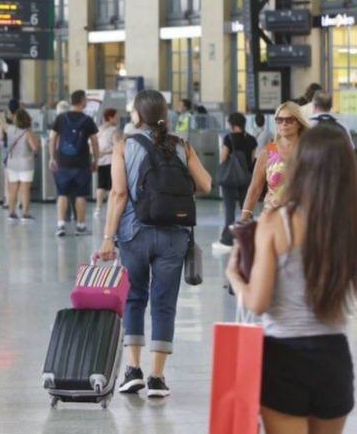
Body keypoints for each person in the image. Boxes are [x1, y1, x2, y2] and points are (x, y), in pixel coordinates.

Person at [226, 126, 357, 434]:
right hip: (334, 358)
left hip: (283, 360)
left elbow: (258, 303)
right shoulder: (350, 226)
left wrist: (233, 275)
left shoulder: (277, 221)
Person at [99, 90, 212, 398]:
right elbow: (206, 183)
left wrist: (108, 238)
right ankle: (157, 378)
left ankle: (133, 371)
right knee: (164, 303)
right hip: (174, 235)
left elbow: (119, 195)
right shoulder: (182, 146)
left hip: (134, 233)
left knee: (134, 298)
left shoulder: (124, 147)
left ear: (137, 116)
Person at [241, 102, 310, 220]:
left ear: (299, 122)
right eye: (280, 120)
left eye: (290, 120)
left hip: (303, 220)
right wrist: (243, 219)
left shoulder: (311, 150)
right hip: (271, 219)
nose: (284, 124)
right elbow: (255, 189)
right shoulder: (267, 152)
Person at [49, 90, 100, 237]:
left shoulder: (60, 118)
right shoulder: (87, 120)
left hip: (63, 162)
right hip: (82, 163)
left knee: (62, 194)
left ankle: (60, 225)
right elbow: (95, 142)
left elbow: (52, 139)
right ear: (82, 101)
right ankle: (81, 226)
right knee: (80, 195)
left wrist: (52, 157)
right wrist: (96, 160)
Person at [213, 112, 258, 253]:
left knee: (230, 210)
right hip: (245, 179)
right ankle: (251, 237)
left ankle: (228, 238)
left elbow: (223, 158)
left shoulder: (228, 138)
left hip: (229, 180)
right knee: (247, 209)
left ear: (232, 124)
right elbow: (252, 160)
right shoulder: (251, 140)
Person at [4, 108, 39, 221]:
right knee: (24, 190)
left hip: (12, 163)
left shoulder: (10, 129)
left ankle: (11, 213)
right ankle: (25, 213)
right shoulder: (28, 132)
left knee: (12, 189)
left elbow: (2, 127)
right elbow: (35, 147)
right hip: (26, 164)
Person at [95, 108, 122, 218]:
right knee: (112, 187)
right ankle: (111, 208)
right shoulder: (114, 131)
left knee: (101, 185)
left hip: (100, 162)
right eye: (117, 117)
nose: (118, 119)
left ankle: (97, 209)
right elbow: (117, 146)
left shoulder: (98, 130)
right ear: (110, 118)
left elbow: (92, 145)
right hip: (111, 161)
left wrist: (99, 153)